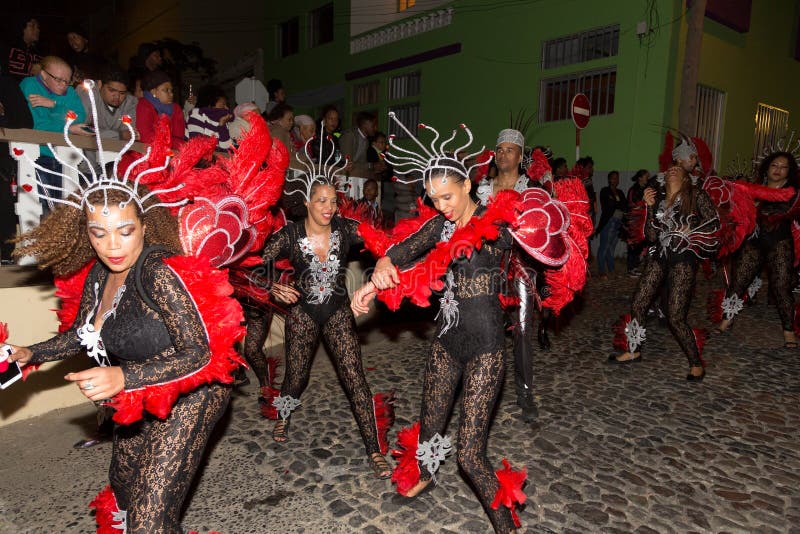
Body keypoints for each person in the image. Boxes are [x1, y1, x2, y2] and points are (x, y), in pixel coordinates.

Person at [4, 104, 246, 532]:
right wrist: (29, 352)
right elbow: (81, 335)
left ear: (144, 226)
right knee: (122, 486)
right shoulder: (99, 274)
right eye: (99, 233)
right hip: (140, 390)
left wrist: (122, 377)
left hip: (192, 393)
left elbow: (199, 352)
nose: (112, 245)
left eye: (125, 230)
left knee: (150, 520)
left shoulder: (157, 272)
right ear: (86, 232)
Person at [352, 115, 540, 533]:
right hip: (447, 342)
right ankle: (423, 474)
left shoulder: (495, 225)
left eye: (448, 196)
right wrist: (379, 271)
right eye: (434, 197)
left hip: (486, 349)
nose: (441, 205)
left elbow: (535, 245)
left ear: (468, 186)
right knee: (429, 428)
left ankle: (506, 525)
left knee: (470, 456)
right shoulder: (438, 224)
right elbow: (401, 250)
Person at [260, 134, 392, 479]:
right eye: (321, 201)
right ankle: (284, 416)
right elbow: (260, 267)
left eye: (333, 200)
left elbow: (383, 244)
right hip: (302, 316)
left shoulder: (347, 229)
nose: (329, 207)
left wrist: (383, 267)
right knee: (296, 376)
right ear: (307, 202)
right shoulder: (288, 235)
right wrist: (274, 285)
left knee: (354, 378)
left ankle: (374, 448)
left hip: (336, 313)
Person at [610, 165, 719, 381]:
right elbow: (651, 236)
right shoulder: (658, 199)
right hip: (659, 256)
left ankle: (696, 362)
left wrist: (695, 228)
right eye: (669, 169)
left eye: (678, 170)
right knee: (639, 303)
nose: (672, 170)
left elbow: (714, 223)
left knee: (675, 315)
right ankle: (634, 349)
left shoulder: (695, 195)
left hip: (684, 259)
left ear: (687, 178)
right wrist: (650, 207)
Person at [475, 128, 540, 422]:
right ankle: (482, 387)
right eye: (498, 149)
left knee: (523, 329)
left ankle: (525, 392)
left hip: (521, 265)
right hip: (487, 264)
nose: (502, 154)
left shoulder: (531, 190)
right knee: (484, 329)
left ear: (520, 156)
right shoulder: (482, 190)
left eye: (509, 150)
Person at [715, 151, 799, 348]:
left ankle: (788, 330)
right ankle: (727, 319)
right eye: (774, 165)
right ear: (767, 167)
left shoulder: (793, 192)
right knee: (738, 282)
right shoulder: (753, 188)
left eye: (783, 167)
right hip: (754, 241)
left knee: (781, 287)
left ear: (789, 171)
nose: (778, 170)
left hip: (779, 243)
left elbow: (783, 212)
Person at [19, 56, 90, 216]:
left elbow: (80, 116)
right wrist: (69, 128)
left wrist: (54, 105)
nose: (64, 85)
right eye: (59, 80)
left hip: (64, 157)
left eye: (67, 81)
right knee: (43, 210)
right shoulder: (30, 85)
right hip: (37, 155)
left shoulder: (70, 91)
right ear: (44, 75)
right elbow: (38, 125)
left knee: (64, 210)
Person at [0, 73, 33, 263]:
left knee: (5, 204)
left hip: (3, 156)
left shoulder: (5, 83)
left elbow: (25, 121)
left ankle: (6, 252)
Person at [136, 70, 184, 149]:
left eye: (171, 90)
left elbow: (178, 137)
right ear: (153, 92)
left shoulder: (176, 109)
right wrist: (173, 142)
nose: (171, 94)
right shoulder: (144, 105)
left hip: (170, 151)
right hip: (147, 151)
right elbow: (145, 136)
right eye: (166, 90)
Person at [595, 170, 628, 277]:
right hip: (609, 221)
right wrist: (616, 204)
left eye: (617, 178)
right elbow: (608, 206)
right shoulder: (605, 191)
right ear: (609, 179)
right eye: (614, 178)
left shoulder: (620, 192)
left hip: (618, 222)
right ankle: (601, 270)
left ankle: (611, 268)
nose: (616, 180)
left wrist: (616, 204)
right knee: (604, 247)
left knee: (612, 247)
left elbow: (624, 205)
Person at [185, 84, 233, 151]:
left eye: (227, 105)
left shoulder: (222, 120)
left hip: (213, 158)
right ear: (210, 103)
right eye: (223, 104)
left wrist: (222, 125)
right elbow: (196, 144)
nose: (227, 108)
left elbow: (227, 148)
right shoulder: (197, 114)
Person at [0, 16, 44, 81]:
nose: (37, 30)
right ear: (22, 28)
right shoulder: (7, 49)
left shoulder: (40, 54)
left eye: (38, 27)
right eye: (32, 25)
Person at [626, 169, 650, 275]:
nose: (647, 178)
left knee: (640, 245)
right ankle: (631, 268)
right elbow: (632, 204)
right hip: (634, 221)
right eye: (646, 176)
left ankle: (635, 266)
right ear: (640, 178)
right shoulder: (633, 190)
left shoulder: (645, 189)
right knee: (633, 245)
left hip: (642, 221)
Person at [339, 111, 376, 178]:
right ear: (364, 124)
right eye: (373, 125)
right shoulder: (349, 135)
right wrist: (370, 165)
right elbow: (347, 163)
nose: (375, 128)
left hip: (352, 174)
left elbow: (362, 164)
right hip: (341, 173)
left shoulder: (366, 141)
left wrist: (371, 166)